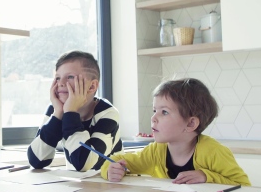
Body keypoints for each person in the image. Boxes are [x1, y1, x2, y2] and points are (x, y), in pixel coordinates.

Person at [102, 78, 250, 186]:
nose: (153, 118)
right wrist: (111, 170)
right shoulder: (156, 151)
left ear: (191, 123)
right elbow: (115, 160)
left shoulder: (213, 152)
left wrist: (207, 176)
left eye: (164, 112)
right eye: (155, 110)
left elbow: (244, 186)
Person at [27, 51, 122, 171]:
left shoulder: (108, 113)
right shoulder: (56, 109)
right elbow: (37, 160)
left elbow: (84, 163)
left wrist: (71, 112)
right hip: (79, 187)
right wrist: (58, 115)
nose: (60, 83)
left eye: (70, 77)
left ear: (92, 87)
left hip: (111, 185)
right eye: (57, 78)